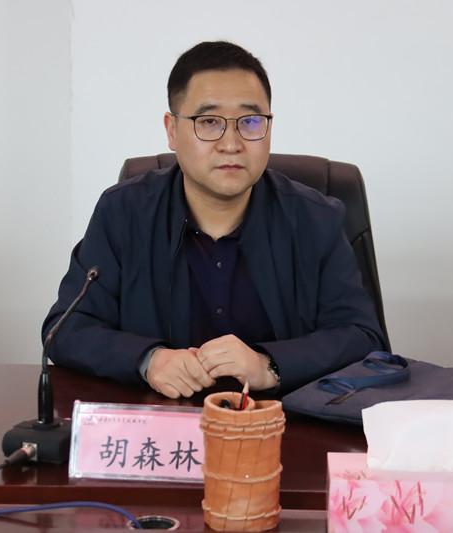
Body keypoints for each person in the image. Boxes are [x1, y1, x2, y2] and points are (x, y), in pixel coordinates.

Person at [43, 41, 386, 399]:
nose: (231, 144)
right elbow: (65, 330)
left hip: (281, 422)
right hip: (161, 419)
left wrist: (270, 365)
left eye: (250, 122)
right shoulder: (123, 213)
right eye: (209, 122)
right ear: (172, 130)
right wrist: (147, 360)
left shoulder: (316, 220)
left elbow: (362, 336)